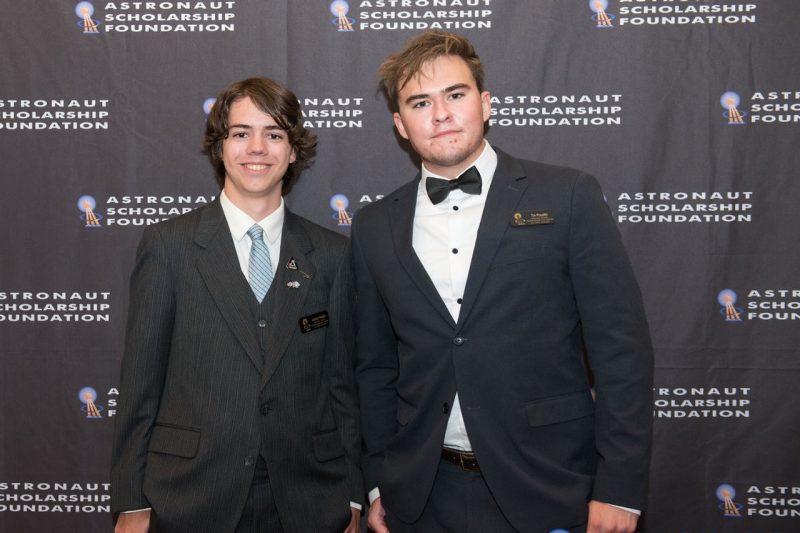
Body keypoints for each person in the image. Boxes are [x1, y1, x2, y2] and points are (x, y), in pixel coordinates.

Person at [351, 31, 654, 533]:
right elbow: (374, 367)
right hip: (421, 497)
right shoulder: (374, 226)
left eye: (456, 94)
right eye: (420, 102)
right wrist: (380, 481)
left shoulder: (568, 196)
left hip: (549, 486)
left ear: (485, 103)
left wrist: (620, 488)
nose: (441, 113)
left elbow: (621, 352)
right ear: (400, 125)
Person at [110, 77, 363, 533]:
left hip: (309, 501)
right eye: (242, 133)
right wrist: (131, 500)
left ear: (292, 150)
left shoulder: (332, 255)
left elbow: (342, 386)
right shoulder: (169, 246)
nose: (257, 148)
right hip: (188, 498)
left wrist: (354, 494)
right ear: (220, 146)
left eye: (275, 134)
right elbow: (140, 384)